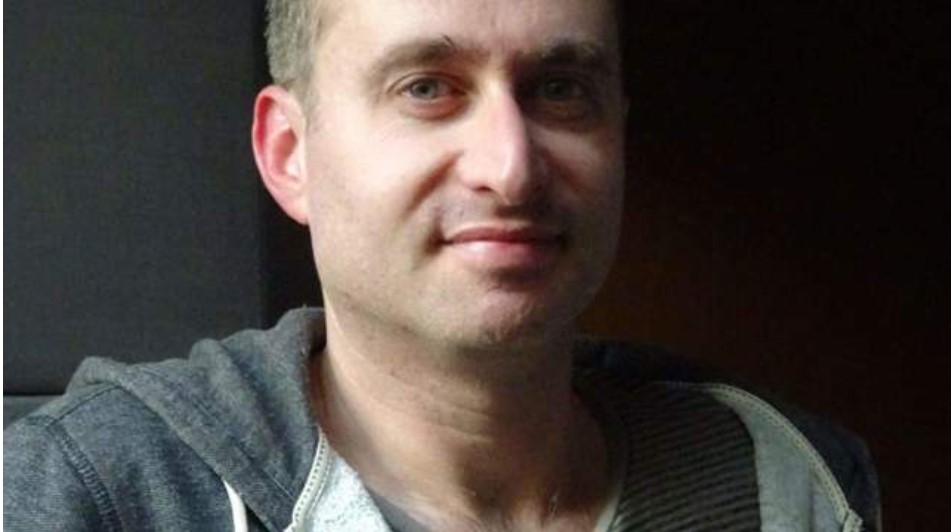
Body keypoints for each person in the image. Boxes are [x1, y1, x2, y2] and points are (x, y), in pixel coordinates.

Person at [4, 0, 880, 530]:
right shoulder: (95, 497)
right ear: (289, 154)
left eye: (560, 89)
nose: (511, 167)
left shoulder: (782, 479)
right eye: (426, 87)